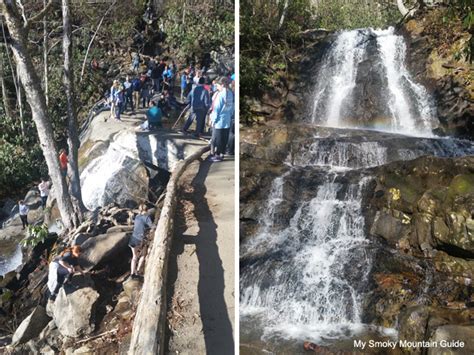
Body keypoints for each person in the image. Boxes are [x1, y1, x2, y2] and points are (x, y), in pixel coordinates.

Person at [209, 76, 234, 162]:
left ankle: (217, 155)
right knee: (224, 138)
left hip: (219, 120)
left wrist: (213, 120)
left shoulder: (220, 95)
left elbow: (216, 109)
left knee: (218, 138)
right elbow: (232, 108)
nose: (217, 87)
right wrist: (230, 116)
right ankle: (222, 154)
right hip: (227, 119)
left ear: (222, 85)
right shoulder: (230, 93)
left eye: (218, 85)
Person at [129, 204, 154, 279]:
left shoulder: (137, 216)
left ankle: (132, 273)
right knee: (143, 255)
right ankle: (138, 272)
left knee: (134, 257)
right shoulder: (147, 217)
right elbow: (152, 226)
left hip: (132, 239)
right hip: (139, 240)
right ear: (146, 210)